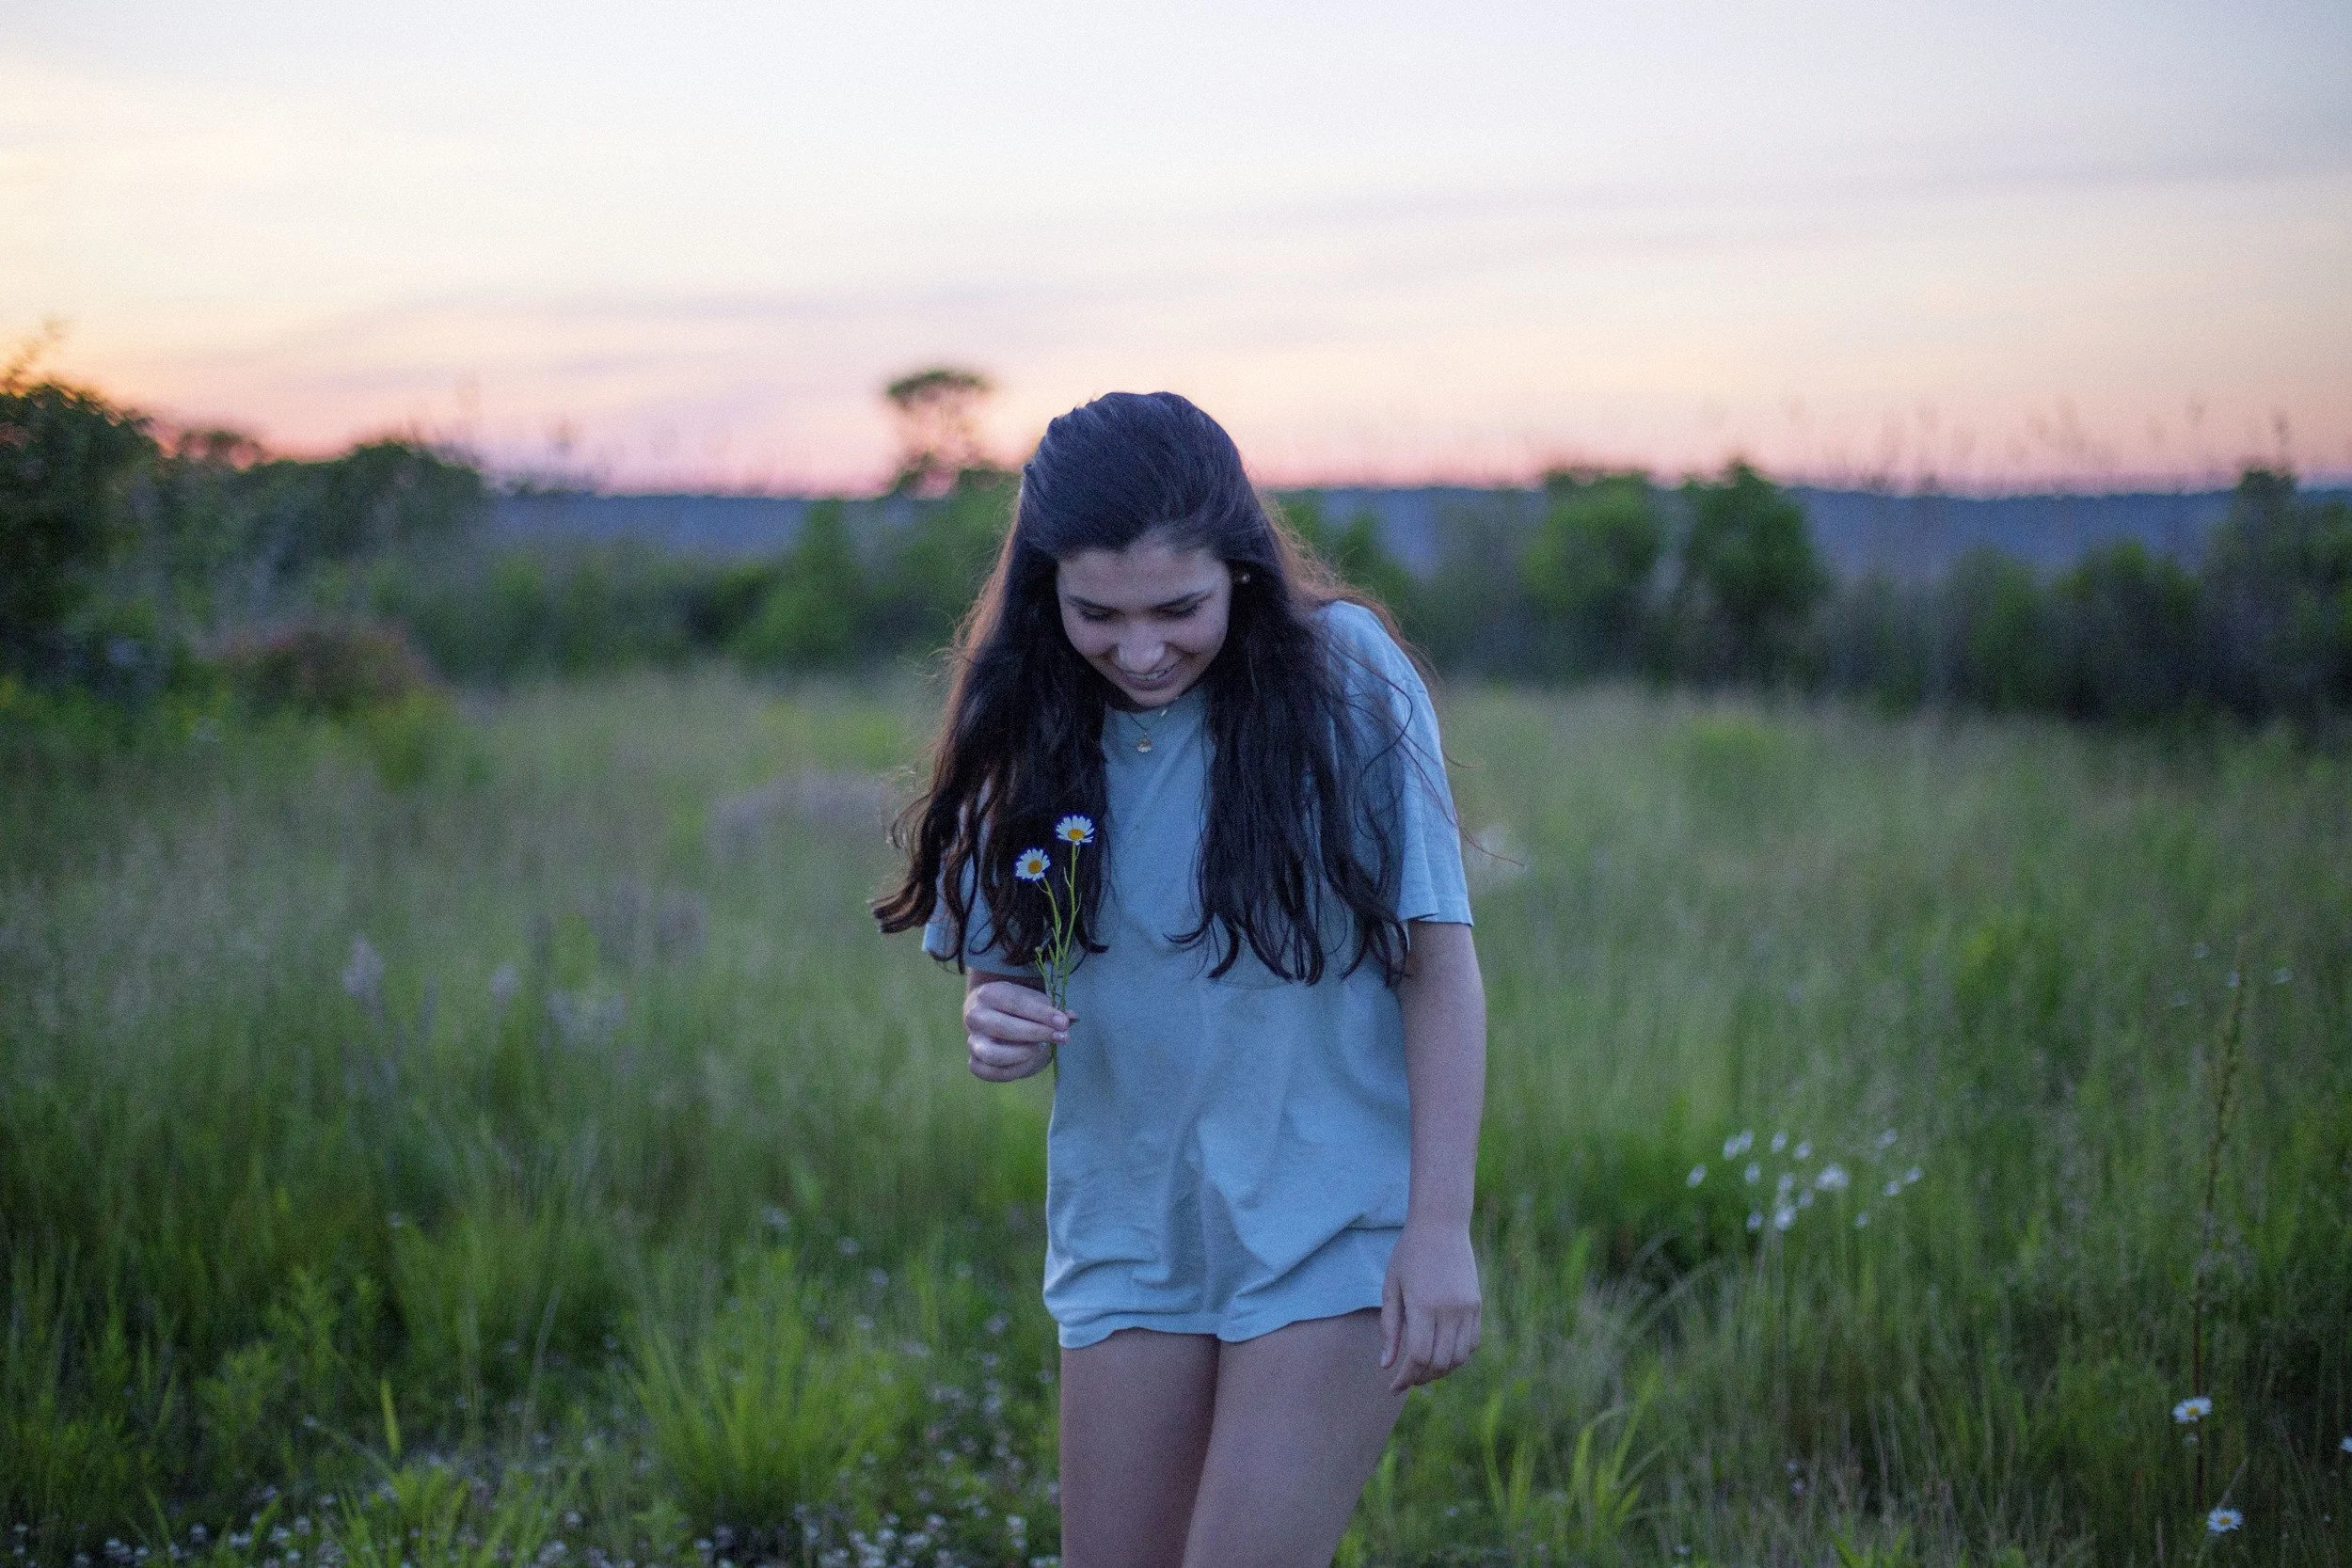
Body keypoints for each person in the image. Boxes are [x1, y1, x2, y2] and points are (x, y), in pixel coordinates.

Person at [874, 391, 1486, 1567]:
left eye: (1179, 608)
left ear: (1241, 573)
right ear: (1046, 587)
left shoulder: (1344, 674)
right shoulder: (1029, 713)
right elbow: (998, 973)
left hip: (1329, 1225)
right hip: (1128, 1230)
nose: (1142, 647)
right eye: (1097, 612)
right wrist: (987, 1017)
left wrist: (1439, 1229)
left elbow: (1440, 972)